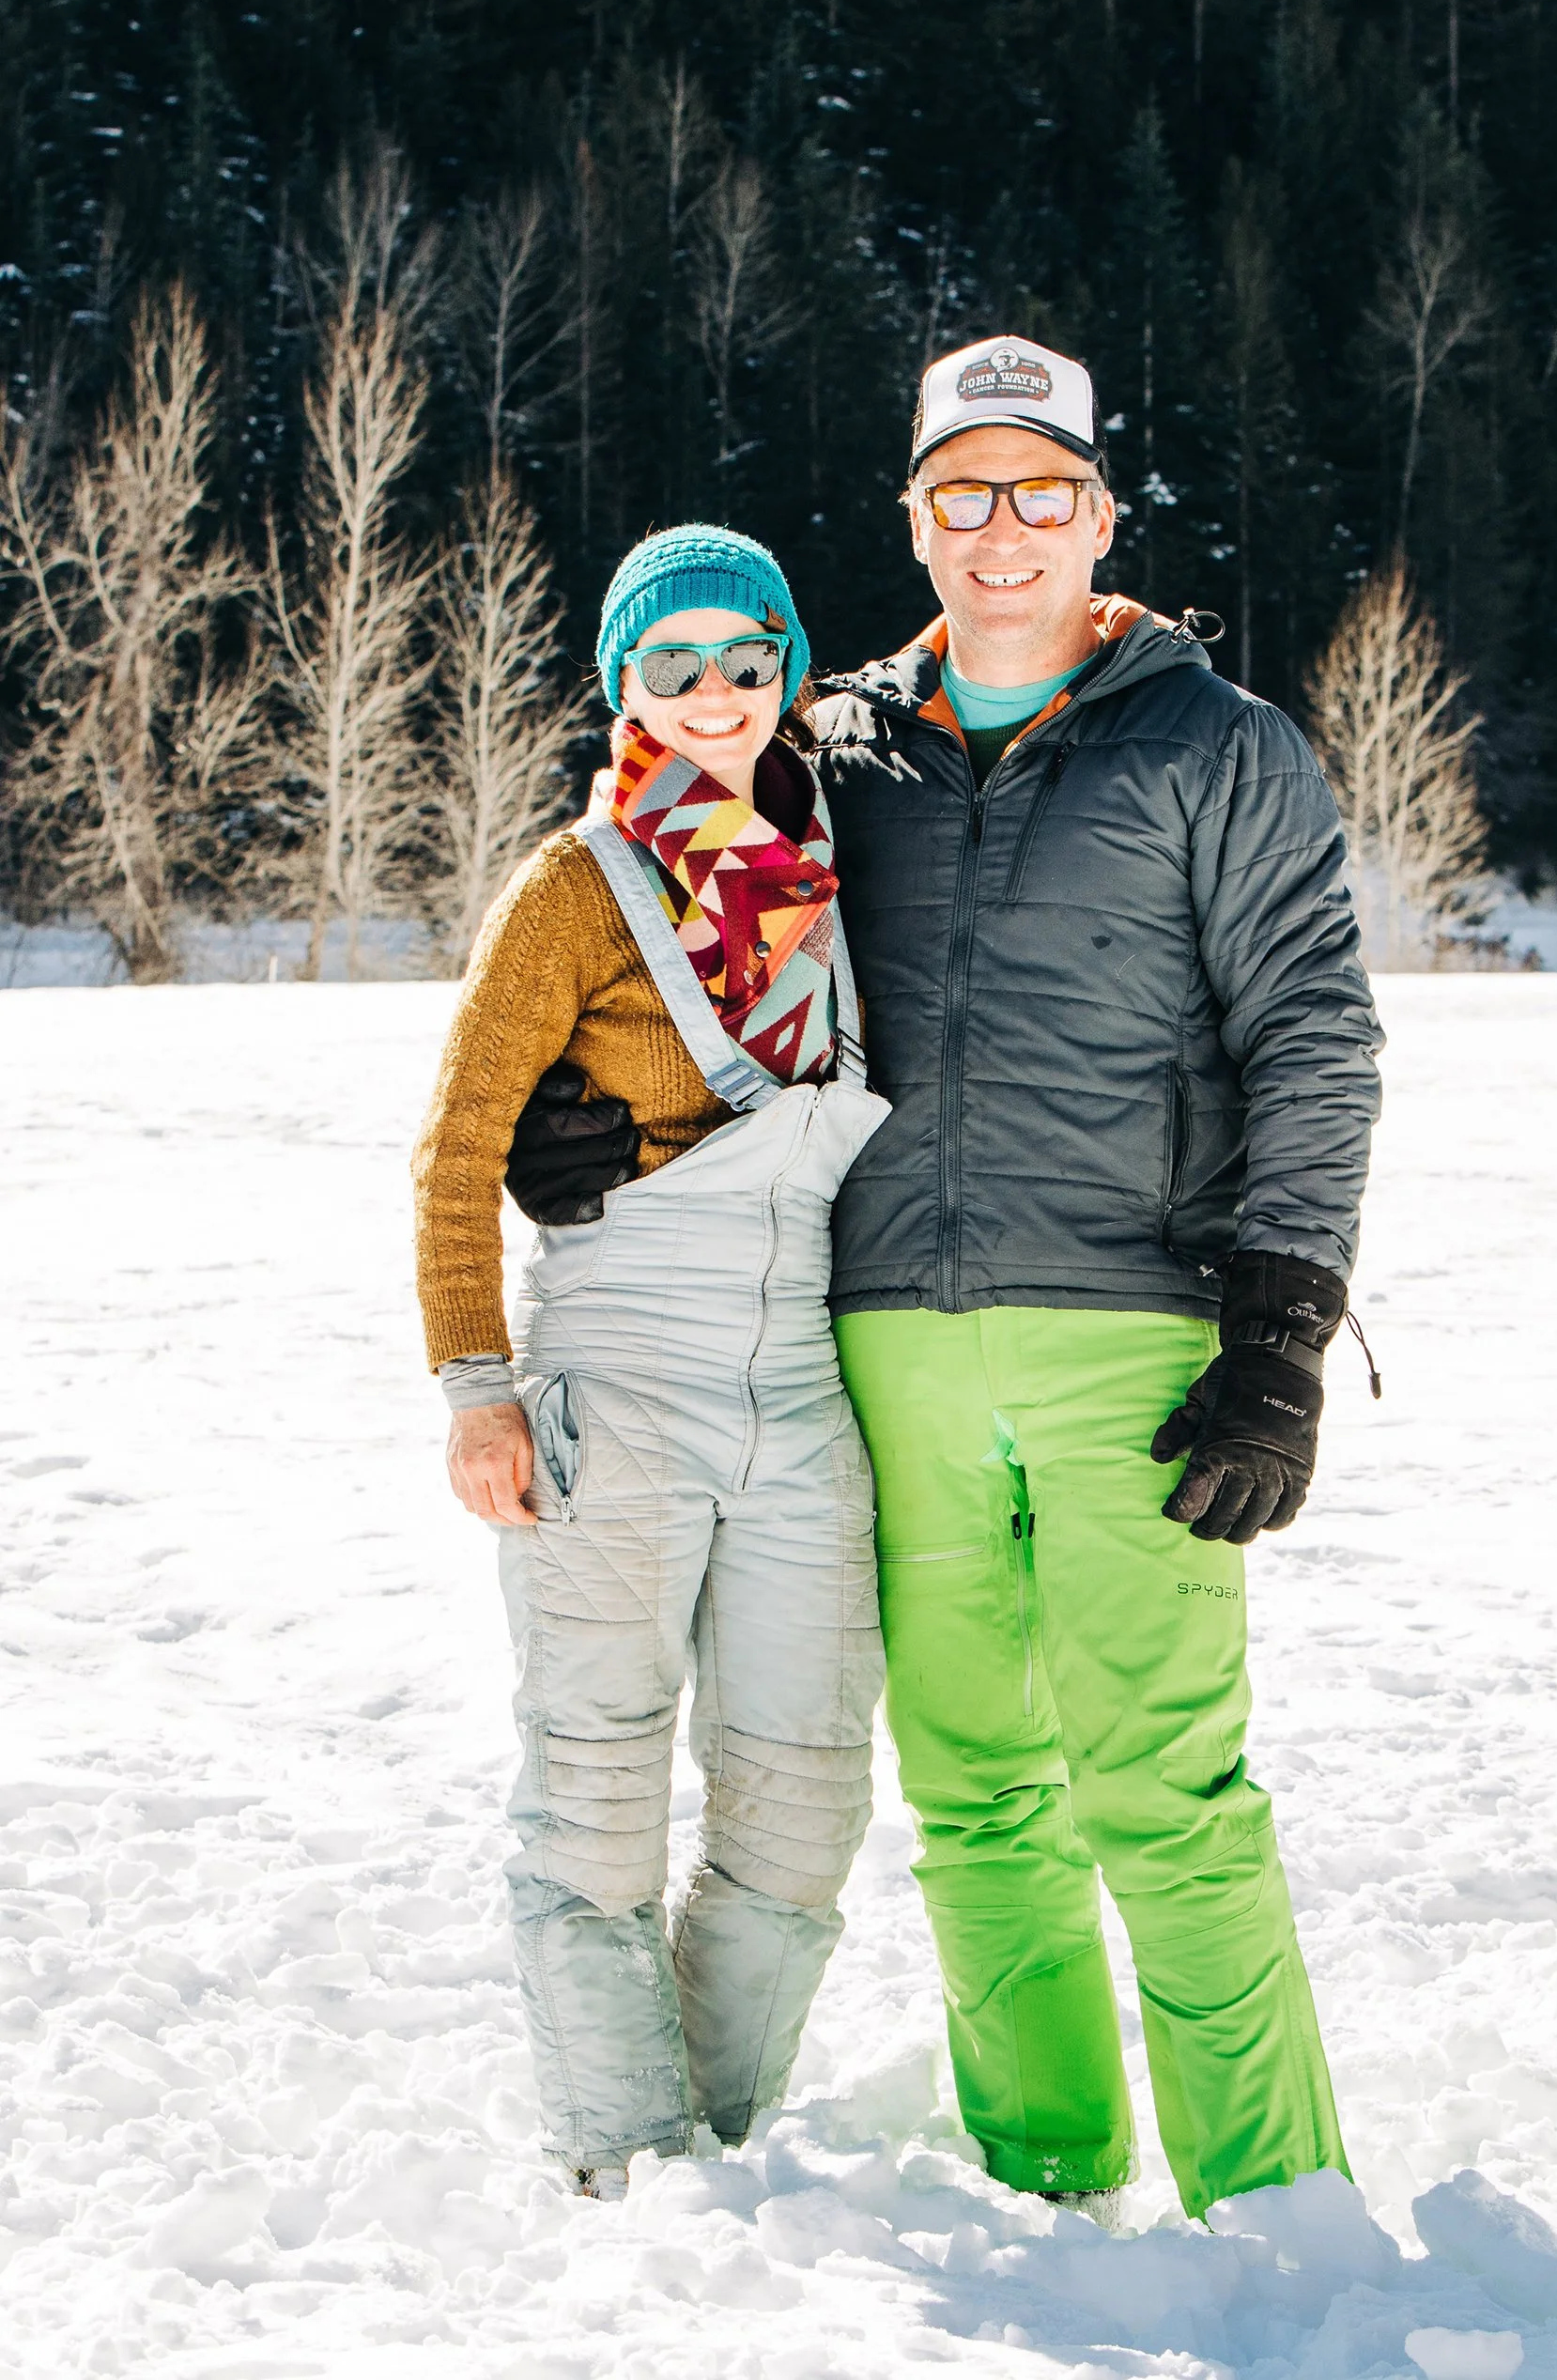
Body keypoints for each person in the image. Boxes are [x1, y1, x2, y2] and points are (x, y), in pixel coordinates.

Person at [509, 340, 1384, 2229]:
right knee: (977, 1793)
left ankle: (1274, 2210)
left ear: (1101, 515)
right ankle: (1048, 2184)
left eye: (1041, 490)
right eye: (963, 492)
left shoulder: (1216, 743)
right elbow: (671, 922)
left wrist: (1286, 1331)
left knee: (1167, 1794)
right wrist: (578, 1120)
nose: (1004, 531)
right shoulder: (829, 749)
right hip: (878, 1336)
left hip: (1136, 1334)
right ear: (914, 519)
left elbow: (1315, 1040)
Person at [412, 524, 887, 2200]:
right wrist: (479, 1390)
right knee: (599, 1801)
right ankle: (624, 2162)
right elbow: (459, 1146)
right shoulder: (573, 884)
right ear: (621, 686)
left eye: (743, 660)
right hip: (615, 1383)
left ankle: (724, 2146)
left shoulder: (835, 865)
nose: (708, 695)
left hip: (802, 1395)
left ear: (788, 672)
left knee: (805, 1798)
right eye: (666, 665)